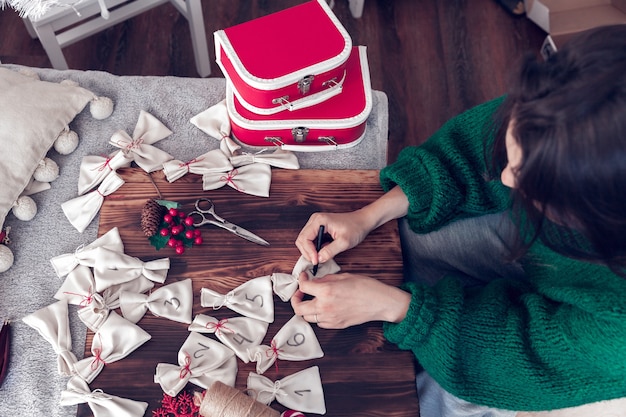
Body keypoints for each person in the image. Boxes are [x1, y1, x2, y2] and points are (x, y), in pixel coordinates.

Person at [291, 24, 626, 417]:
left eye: (529, 179)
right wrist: (369, 215)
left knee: (451, 398)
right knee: (414, 237)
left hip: (553, 353)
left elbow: (519, 360)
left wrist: (400, 310)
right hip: (567, 254)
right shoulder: (582, 102)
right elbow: (477, 150)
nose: (505, 178)